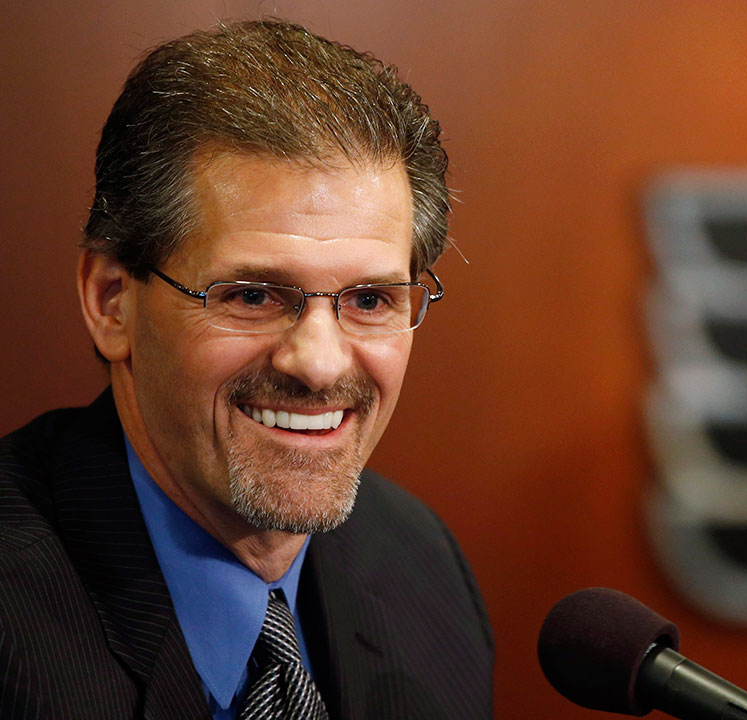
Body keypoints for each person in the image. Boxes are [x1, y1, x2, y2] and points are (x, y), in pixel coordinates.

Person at [0, 19, 492, 720]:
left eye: (369, 299)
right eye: (254, 296)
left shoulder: (421, 567)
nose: (319, 364)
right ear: (112, 301)